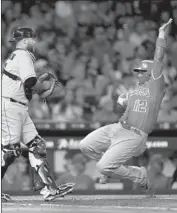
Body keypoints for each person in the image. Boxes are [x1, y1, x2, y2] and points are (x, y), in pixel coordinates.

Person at [79, 19, 173, 193]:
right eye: (138, 71)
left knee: (102, 168)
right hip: (118, 128)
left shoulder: (156, 86)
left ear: (151, 73)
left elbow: (158, 57)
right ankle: (111, 165)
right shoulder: (135, 91)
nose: (139, 73)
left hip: (135, 136)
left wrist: (161, 34)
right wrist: (122, 100)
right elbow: (122, 103)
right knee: (85, 146)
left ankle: (138, 175)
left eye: (142, 71)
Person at [1, 27, 74, 202]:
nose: (35, 41)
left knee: (37, 145)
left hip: (17, 105)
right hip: (9, 106)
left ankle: (49, 189)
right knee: (10, 151)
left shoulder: (17, 56)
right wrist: (43, 87)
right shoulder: (23, 55)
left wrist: (37, 89)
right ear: (25, 40)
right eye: (33, 39)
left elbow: (25, 87)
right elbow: (31, 82)